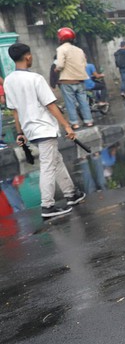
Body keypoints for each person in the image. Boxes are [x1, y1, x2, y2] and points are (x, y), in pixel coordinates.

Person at [6, 43, 85, 219]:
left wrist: (20, 133)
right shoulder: (35, 78)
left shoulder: (9, 80)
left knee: (56, 160)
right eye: (31, 55)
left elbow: (15, 110)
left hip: (30, 129)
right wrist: (66, 125)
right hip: (43, 128)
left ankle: (71, 194)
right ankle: (47, 206)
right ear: (27, 57)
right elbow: (51, 105)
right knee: (49, 166)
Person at [53, 27, 94, 129]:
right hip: (80, 80)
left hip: (67, 81)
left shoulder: (61, 49)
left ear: (61, 38)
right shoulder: (79, 50)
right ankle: (88, 121)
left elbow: (60, 65)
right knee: (83, 101)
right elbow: (84, 64)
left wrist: (56, 69)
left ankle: (75, 123)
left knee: (70, 103)